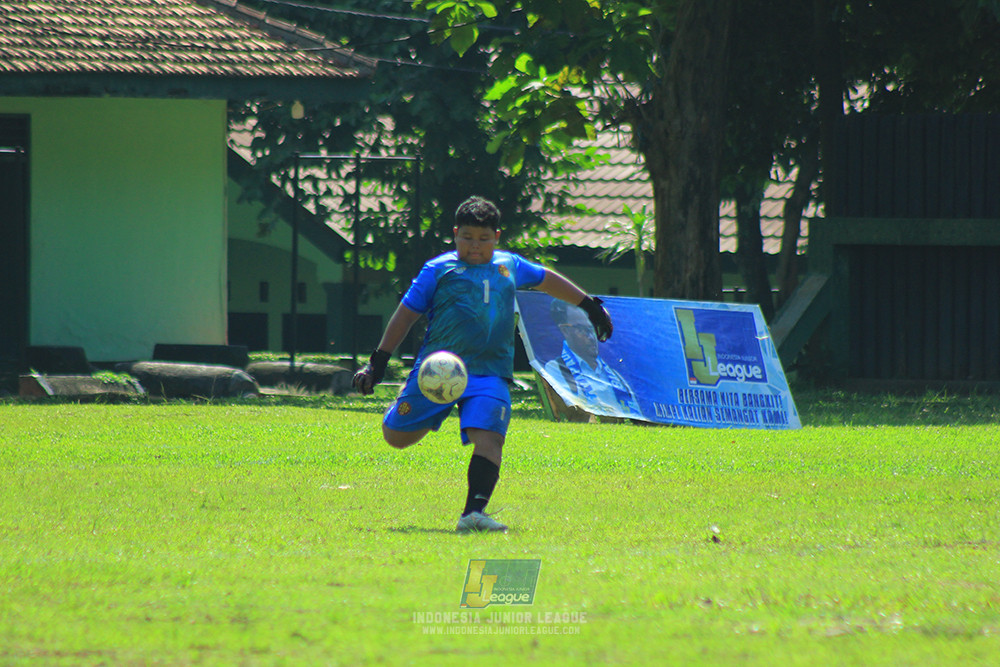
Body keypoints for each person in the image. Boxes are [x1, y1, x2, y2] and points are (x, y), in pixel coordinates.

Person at [352, 195, 613, 533]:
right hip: (439, 371)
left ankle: (473, 513)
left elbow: (546, 278)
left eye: (484, 239)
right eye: (468, 238)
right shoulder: (438, 270)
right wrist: (377, 363)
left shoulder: (510, 266)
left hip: (490, 374)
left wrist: (589, 305)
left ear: (497, 237)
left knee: (490, 437)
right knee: (396, 437)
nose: (475, 247)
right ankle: (406, 403)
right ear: (455, 233)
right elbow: (405, 316)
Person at [544, 299, 643, 419]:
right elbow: (575, 414)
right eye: (582, 330)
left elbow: (634, 414)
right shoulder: (557, 368)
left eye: (592, 329)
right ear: (565, 331)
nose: (591, 337)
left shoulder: (614, 376)